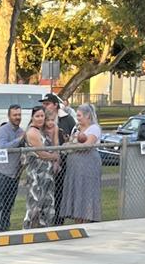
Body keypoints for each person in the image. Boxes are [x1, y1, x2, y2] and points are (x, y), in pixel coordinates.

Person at [60, 102, 102, 223]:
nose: (77, 118)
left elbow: (87, 145)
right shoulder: (76, 128)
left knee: (86, 192)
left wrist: (71, 145)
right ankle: (77, 221)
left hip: (88, 165)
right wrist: (70, 143)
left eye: (79, 116)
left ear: (88, 115)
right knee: (76, 191)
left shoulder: (94, 128)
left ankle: (87, 220)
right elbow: (71, 142)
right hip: (74, 167)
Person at [0, 103, 25, 232]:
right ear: (9, 116)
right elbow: (3, 147)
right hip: (1, 172)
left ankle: (4, 228)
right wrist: (19, 140)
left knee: (9, 204)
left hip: (14, 174)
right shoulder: (2, 131)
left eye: (19, 114)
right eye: (15, 115)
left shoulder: (22, 132)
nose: (17, 117)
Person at [41, 93, 75, 221]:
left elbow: (74, 134)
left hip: (63, 160)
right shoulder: (41, 117)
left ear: (55, 105)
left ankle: (58, 220)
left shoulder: (67, 119)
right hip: (44, 160)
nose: (45, 106)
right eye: (43, 104)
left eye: (47, 103)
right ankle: (44, 219)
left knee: (59, 190)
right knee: (44, 191)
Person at [23, 105, 57, 228]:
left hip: (47, 174)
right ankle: (28, 229)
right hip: (36, 174)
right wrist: (54, 156)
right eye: (37, 116)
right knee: (35, 204)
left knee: (47, 203)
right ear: (32, 117)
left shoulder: (41, 131)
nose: (40, 118)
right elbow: (41, 153)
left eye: (42, 116)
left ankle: (44, 228)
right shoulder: (32, 132)